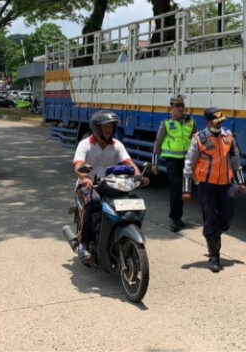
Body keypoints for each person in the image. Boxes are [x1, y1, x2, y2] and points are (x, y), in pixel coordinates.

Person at [73, 110, 148, 260]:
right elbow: (78, 164)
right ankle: (84, 244)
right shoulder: (85, 144)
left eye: (111, 127)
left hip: (112, 184)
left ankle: (117, 235)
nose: (108, 130)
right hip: (89, 185)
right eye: (105, 127)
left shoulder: (117, 145)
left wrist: (140, 176)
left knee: (129, 202)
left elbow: (129, 163)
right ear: (96, 128)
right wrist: (85, 177)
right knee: (93, 201)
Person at [182, 107, 246, 273]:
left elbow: (235, 160)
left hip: (226, 184)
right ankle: (214, 255)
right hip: (206, 186)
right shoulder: (199, 139)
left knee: (228, 216)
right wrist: (187, 189)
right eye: (216, 121)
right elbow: (189, 164)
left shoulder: (228, 136)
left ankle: (213, 235)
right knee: (210, 217)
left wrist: (240, 181)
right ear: (208, 122)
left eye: (221, 121)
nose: (219, 124)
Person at [151, 94, 197, 232]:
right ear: (171, 107)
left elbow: (196, 141)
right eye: (177, 106)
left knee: (185, 189)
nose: (181, 108)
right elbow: (158, 143)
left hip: (186, 160)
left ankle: (178, 217)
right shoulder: (166, 123)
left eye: (182, 106)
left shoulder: (191, 122)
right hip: (171, 160)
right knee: (175, 188)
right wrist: (154, 163)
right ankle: (173, 218)